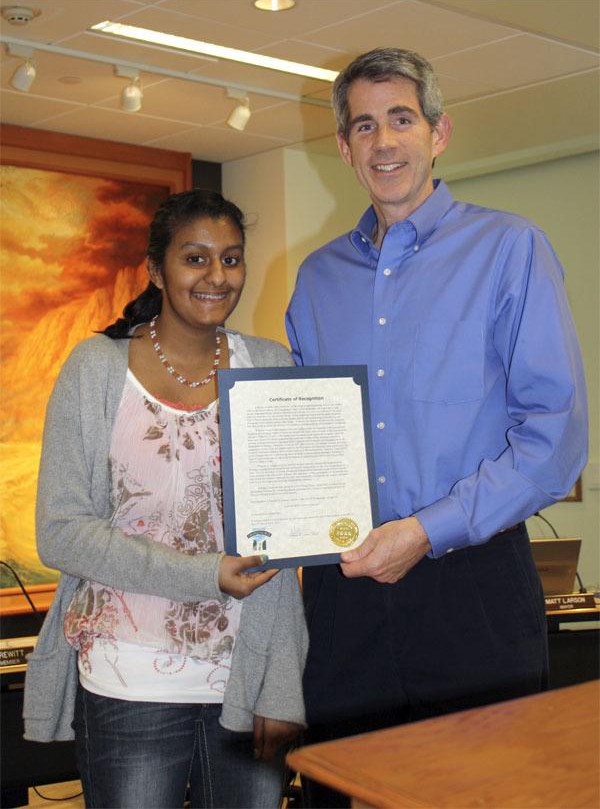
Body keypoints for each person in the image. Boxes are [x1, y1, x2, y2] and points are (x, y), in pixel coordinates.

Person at [285, 48, 587, 807]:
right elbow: (301, 434)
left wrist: (425, 529)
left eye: (401, 119)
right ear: (345, 147)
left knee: (488, 792)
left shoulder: (508, 249)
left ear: (438, 131)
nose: (384, 142)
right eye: (364, 125)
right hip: (343, 591)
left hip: (472, 587)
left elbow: (555, 438)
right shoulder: (317, 279)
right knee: (340, 788)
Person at [23, 189, 308, 809]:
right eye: (195, 258)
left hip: (245, 672)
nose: (217, 276)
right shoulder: (96, 368)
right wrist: (206, 575)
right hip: (130, 678)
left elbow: (286, 542)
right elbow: (62, 532)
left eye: (231, 260)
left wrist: (282, 684)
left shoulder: (272, 367)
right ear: (156, 269)